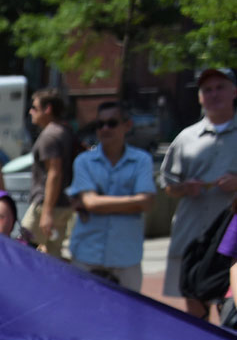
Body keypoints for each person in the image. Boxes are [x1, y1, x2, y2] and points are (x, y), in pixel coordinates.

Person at [161, 67, 237, 319]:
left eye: (220, 87)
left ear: (234, 91)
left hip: (232, 239)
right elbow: (168, 186)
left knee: (230, 309)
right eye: (207, 89)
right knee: (195, 308)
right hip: (194, 234)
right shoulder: (185, 138)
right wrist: (184, 188)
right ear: (199, 97)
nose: (214, 94)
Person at [64, 101, 156, 292]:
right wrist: (133, 201)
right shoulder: (84, 161)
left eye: (112, 123)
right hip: (87, 255)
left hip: (126, 258)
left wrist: (98, 203)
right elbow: (91, 203)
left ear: (127, 125)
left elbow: (147, 203)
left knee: (126, 319)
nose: (105, 129)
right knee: (84, 316)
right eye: (100, 124)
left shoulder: (141, 161)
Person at [23, 88, 76, 257]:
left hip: (45, 204)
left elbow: (54, 172)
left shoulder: (50, 136)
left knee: (23, 248)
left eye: (35, 108)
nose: (31, 112)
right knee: (53, 256)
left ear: (48, 109)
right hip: (64, 205)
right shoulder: (65, 131)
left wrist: (47, 212)